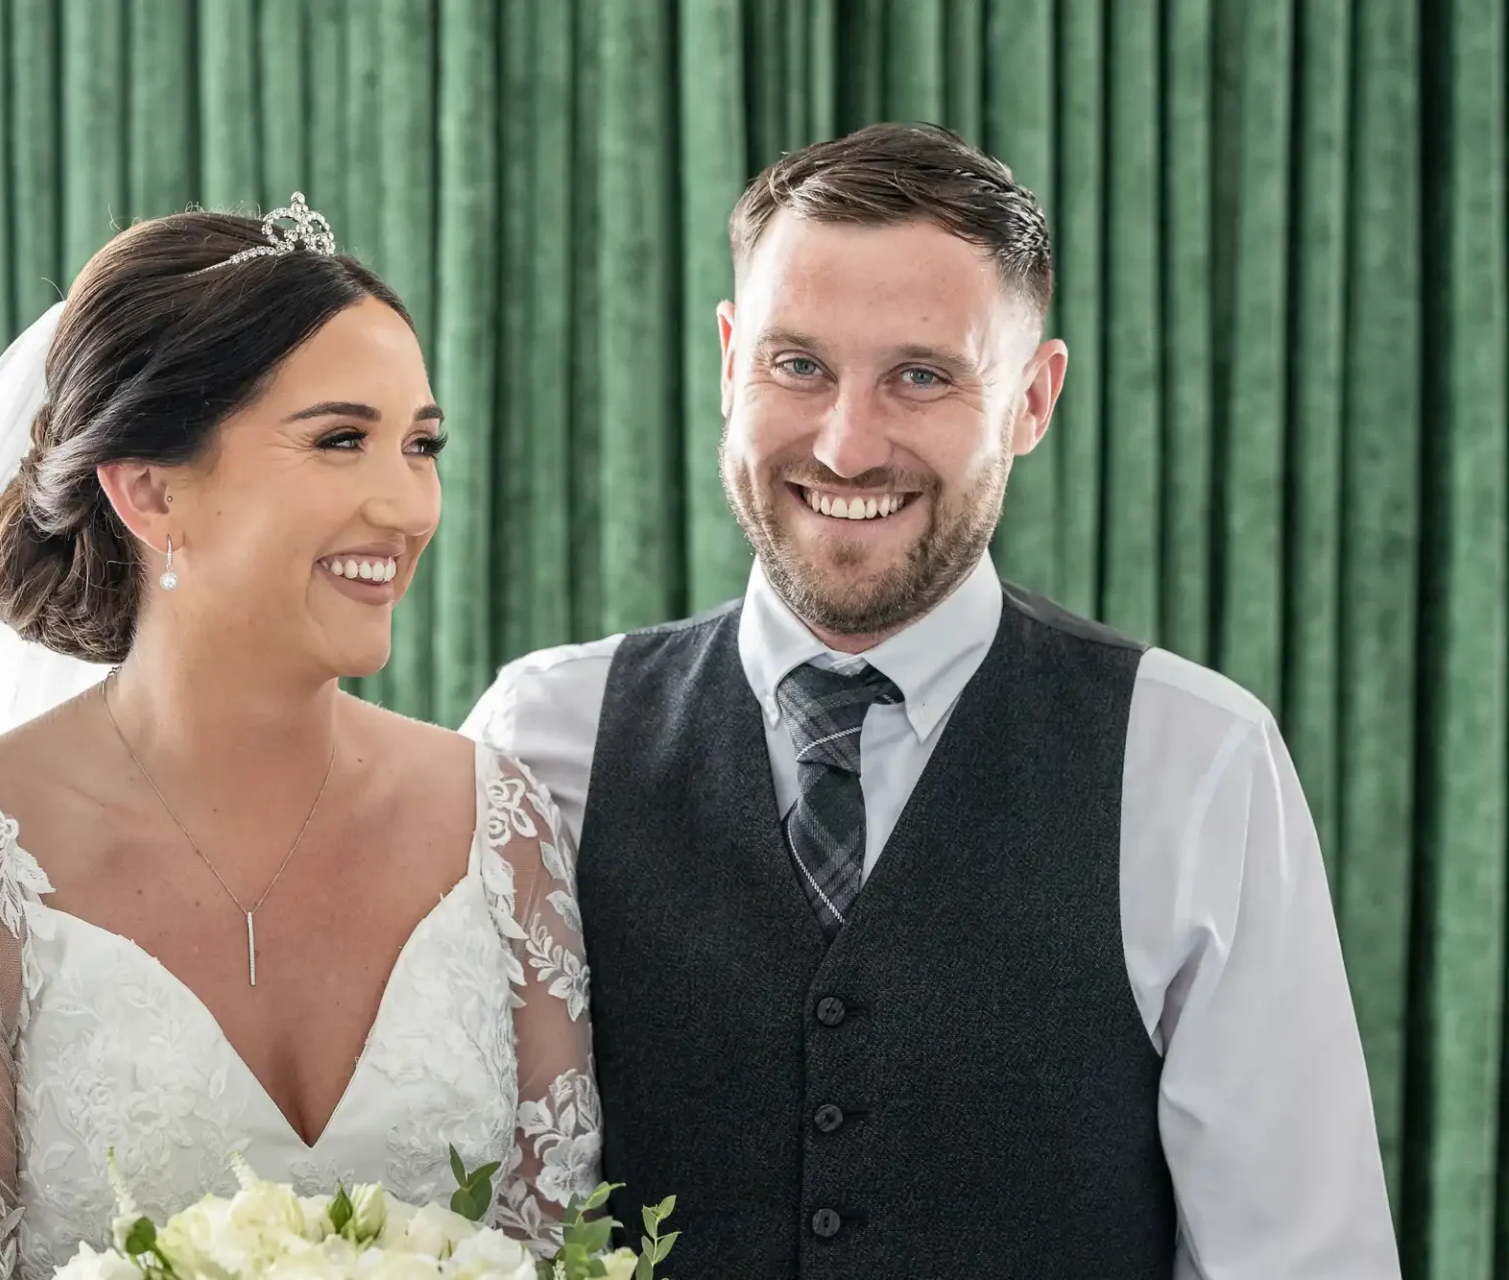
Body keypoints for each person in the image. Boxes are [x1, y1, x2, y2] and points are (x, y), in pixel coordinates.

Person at [463, 124, 1400, 1279]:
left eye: (921, 374)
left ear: (1033, 399)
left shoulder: (1195, 757)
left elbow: (1302, 1258)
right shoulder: (537, 744)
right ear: (725, 364)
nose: (848, 445)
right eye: (797, 364)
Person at [0, 200, 597, 1279]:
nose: (408, 504)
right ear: (150, 488)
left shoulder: (498, 828)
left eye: (422, 445)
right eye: (340, 439)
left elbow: (562, 1250)